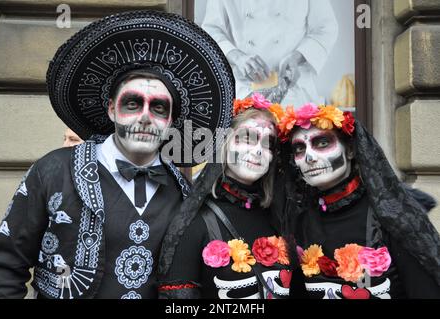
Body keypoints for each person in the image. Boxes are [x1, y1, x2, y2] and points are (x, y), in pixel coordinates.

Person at [0, 10, 235, 299]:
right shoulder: (52, 171)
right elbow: (3, 269)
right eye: (132, 103)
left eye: (158, 108)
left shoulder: (184, 194)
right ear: (111, 109)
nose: (144, 117)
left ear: (171, 121)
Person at [275, 103, 440, 298]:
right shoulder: (299, 220)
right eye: (300, 148)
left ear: (351, 150)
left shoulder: (392, 217)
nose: (309, 157)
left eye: (322, 143)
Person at [158, 94, 293, 299]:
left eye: (267, 144)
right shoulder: (194, 222)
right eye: (247, 138)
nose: (257, 151)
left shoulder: (280, 217)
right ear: (225, 144)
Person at [201, 0, 338, 107]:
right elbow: (211, 30)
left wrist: (297, 57)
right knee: (249, 140)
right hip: (245, 89)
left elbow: (326, 28)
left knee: (295, 140)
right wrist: (238, 57)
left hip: (292, 89)